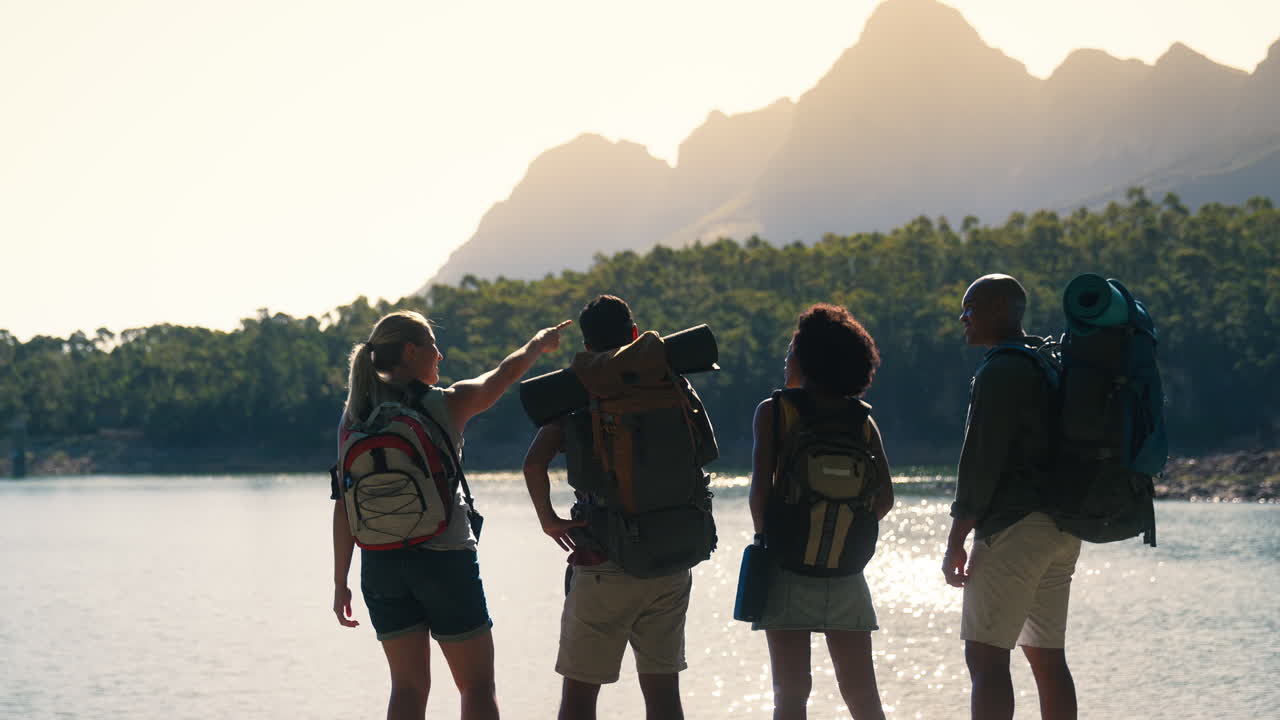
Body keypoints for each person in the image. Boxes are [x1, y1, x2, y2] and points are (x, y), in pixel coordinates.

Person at [331, 309, 571, 720]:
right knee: (476, 685)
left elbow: (343, 506)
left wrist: (341, 582)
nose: (440, 356)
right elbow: (504, 375)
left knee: (406, 689)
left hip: (381, 566)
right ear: (410, 351)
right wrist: (538, 344)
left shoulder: (355, 416)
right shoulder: (446, 404)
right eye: (432, 347)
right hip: (445, 559)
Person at [521, 295, 716, 720]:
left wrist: (549, 520)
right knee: (664, 696)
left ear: (588, 347)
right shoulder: (671, 382)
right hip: (672, 556)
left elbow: (534, 462)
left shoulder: (578, 394)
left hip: (604, 559)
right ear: (634, 334)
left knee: (580, 698)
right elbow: (705, 451)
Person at [941, 274, 1082, 720]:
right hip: (1061, 527)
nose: (963, 318)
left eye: (971, 308)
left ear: (1002, 308)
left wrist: (955, 539)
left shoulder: (1001, 369)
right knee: (1047, 657)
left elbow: (980, 463)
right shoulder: (1048, 361)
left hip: (1014, 527)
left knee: (985, 659)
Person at [748, 303, 893, 720]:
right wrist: (844, 526)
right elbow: (885, 498)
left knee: (790, 695)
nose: (787, 356)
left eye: (793, 349)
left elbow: (759, 493)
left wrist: (772, 539)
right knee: (863, 696)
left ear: (807, 359)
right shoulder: (862, 420)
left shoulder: (774, 412)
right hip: (846, 569)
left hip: (787, 564)